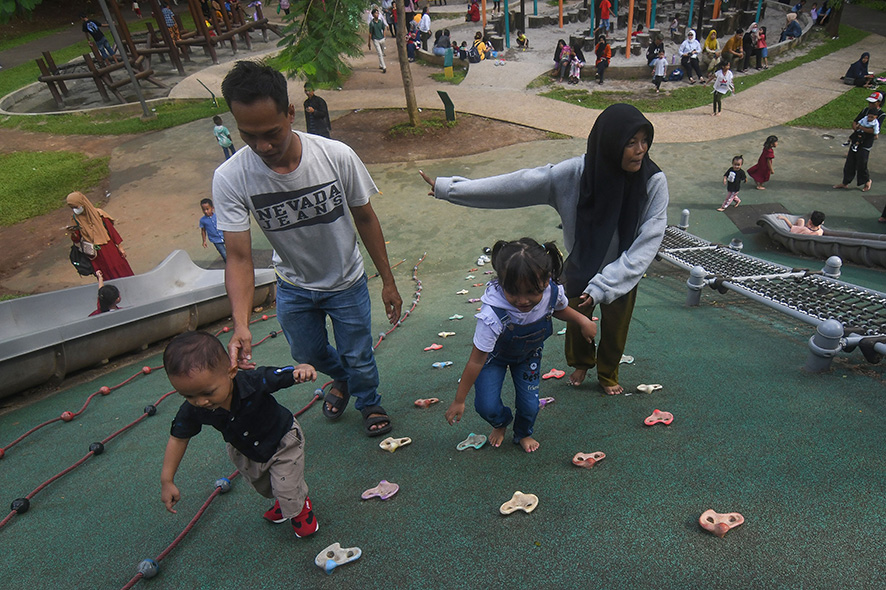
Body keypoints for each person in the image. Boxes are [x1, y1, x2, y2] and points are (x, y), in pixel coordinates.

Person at [420, 103, 669, 396]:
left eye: (644, 140)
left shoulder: (653, 182)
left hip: (623, 270)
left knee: (616, 327)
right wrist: (449, 189)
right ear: (610, 143)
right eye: (630, 142)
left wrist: (607, 284)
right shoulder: (575, 174)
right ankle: (581, 363)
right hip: (582, 264)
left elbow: (647, 242)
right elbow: (519, 184)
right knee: (576, 319)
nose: (640, 149)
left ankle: (607, 372)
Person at [216, 61, 402, 437]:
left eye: (271, 133)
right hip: (294, 286)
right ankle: (343, 378)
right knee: (308, 355)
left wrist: (388, 281)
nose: (262, 146)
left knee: (359, 355)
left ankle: (369, 402)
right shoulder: (231, 177)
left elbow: (365, 218)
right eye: (248, 135)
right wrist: (240, 324)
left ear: (290, 112)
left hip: (347, 282)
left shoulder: (335, 156)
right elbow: (238, 256)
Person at [160, 331, 319, 538]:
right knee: (265, 486)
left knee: (286, 483)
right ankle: (286, 499)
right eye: (188, 395)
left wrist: (301, 370)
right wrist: (167, 480)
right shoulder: (193, 409)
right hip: (245, 449)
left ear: (231, 371)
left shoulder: (252, 381)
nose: (200, 401)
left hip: (282, 438)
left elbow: (280, 375)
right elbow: (178, 438)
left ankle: (300, 507)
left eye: (208, 393)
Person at [445, 238, 597, 452]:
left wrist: (582, 320)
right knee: (486, 406)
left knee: (530, 405)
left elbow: (558, 309)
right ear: (502, 282)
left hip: (529, 355)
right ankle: (501, 422)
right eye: (513, 292)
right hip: (492, 359)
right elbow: (476, 360)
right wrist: (459, 400)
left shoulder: (550, 292)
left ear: (545, 281)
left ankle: (524, 432)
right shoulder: (492, 315)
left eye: (531, 292)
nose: (523, 300)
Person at [67, 192, 134, 279]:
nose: (75, 209)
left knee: (121, 271)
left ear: (83, 203)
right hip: (95, 255)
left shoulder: (99, 214)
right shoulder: (75, 219)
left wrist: (120, 247)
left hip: (110, 249)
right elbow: (76, 240)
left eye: (76, 206)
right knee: (105, 276)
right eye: (73, 208)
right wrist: (73, 233)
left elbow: (111, 231)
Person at [834, 91, 884, 193]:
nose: (870, 104)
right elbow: (855, 122)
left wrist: (861, 128)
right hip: (857, 139)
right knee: (850, 161)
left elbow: (874, 131)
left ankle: (866, 180)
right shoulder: (865, 110)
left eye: (873, 103)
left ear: (879, 102)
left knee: (862, 162)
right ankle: (845, 182)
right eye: (869, 102)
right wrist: (857, 130)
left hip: (866, 143)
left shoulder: (881, 114)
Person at [368, 8, 387, 73]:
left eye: (378, 13)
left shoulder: (380, 22)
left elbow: (383, 29)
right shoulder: (372, 24)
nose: (377, 14)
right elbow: (370, 33)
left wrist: (384, 37)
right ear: (373, 15)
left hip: (382, 39)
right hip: (375, 39)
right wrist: (369, 42)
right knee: (380, 53)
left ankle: (381, 64)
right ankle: (384, 67)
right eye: (375, 13)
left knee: (382, 52)